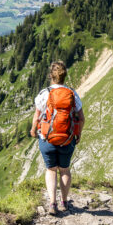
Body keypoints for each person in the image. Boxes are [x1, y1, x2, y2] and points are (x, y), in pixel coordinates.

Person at [30, 60, 85, 216]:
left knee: (51, 169)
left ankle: (52, 203)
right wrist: (77, 134)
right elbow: (81, 119)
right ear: (64, 76)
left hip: (47, 138)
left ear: (51, 76)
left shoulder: (44, 93)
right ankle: (64, 202)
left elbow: (37, 116)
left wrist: (33, 130)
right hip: (67, 139)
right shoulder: (72, 94)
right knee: (65, 169)